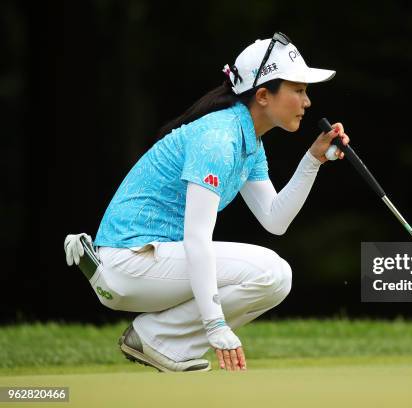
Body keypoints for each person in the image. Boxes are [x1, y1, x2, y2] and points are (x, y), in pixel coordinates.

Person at [63, 32, 350, 373]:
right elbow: (197, 239)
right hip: (130, 262)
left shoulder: (248, 142)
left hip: (149, 262)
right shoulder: (219, 139)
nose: (307, 103)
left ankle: (156, 339)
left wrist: (313, 160)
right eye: (299, 90)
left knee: (277, 277)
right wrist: (215, 325)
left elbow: (275, 219)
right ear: (262, 95)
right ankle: (157, 339)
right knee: (273, 271)